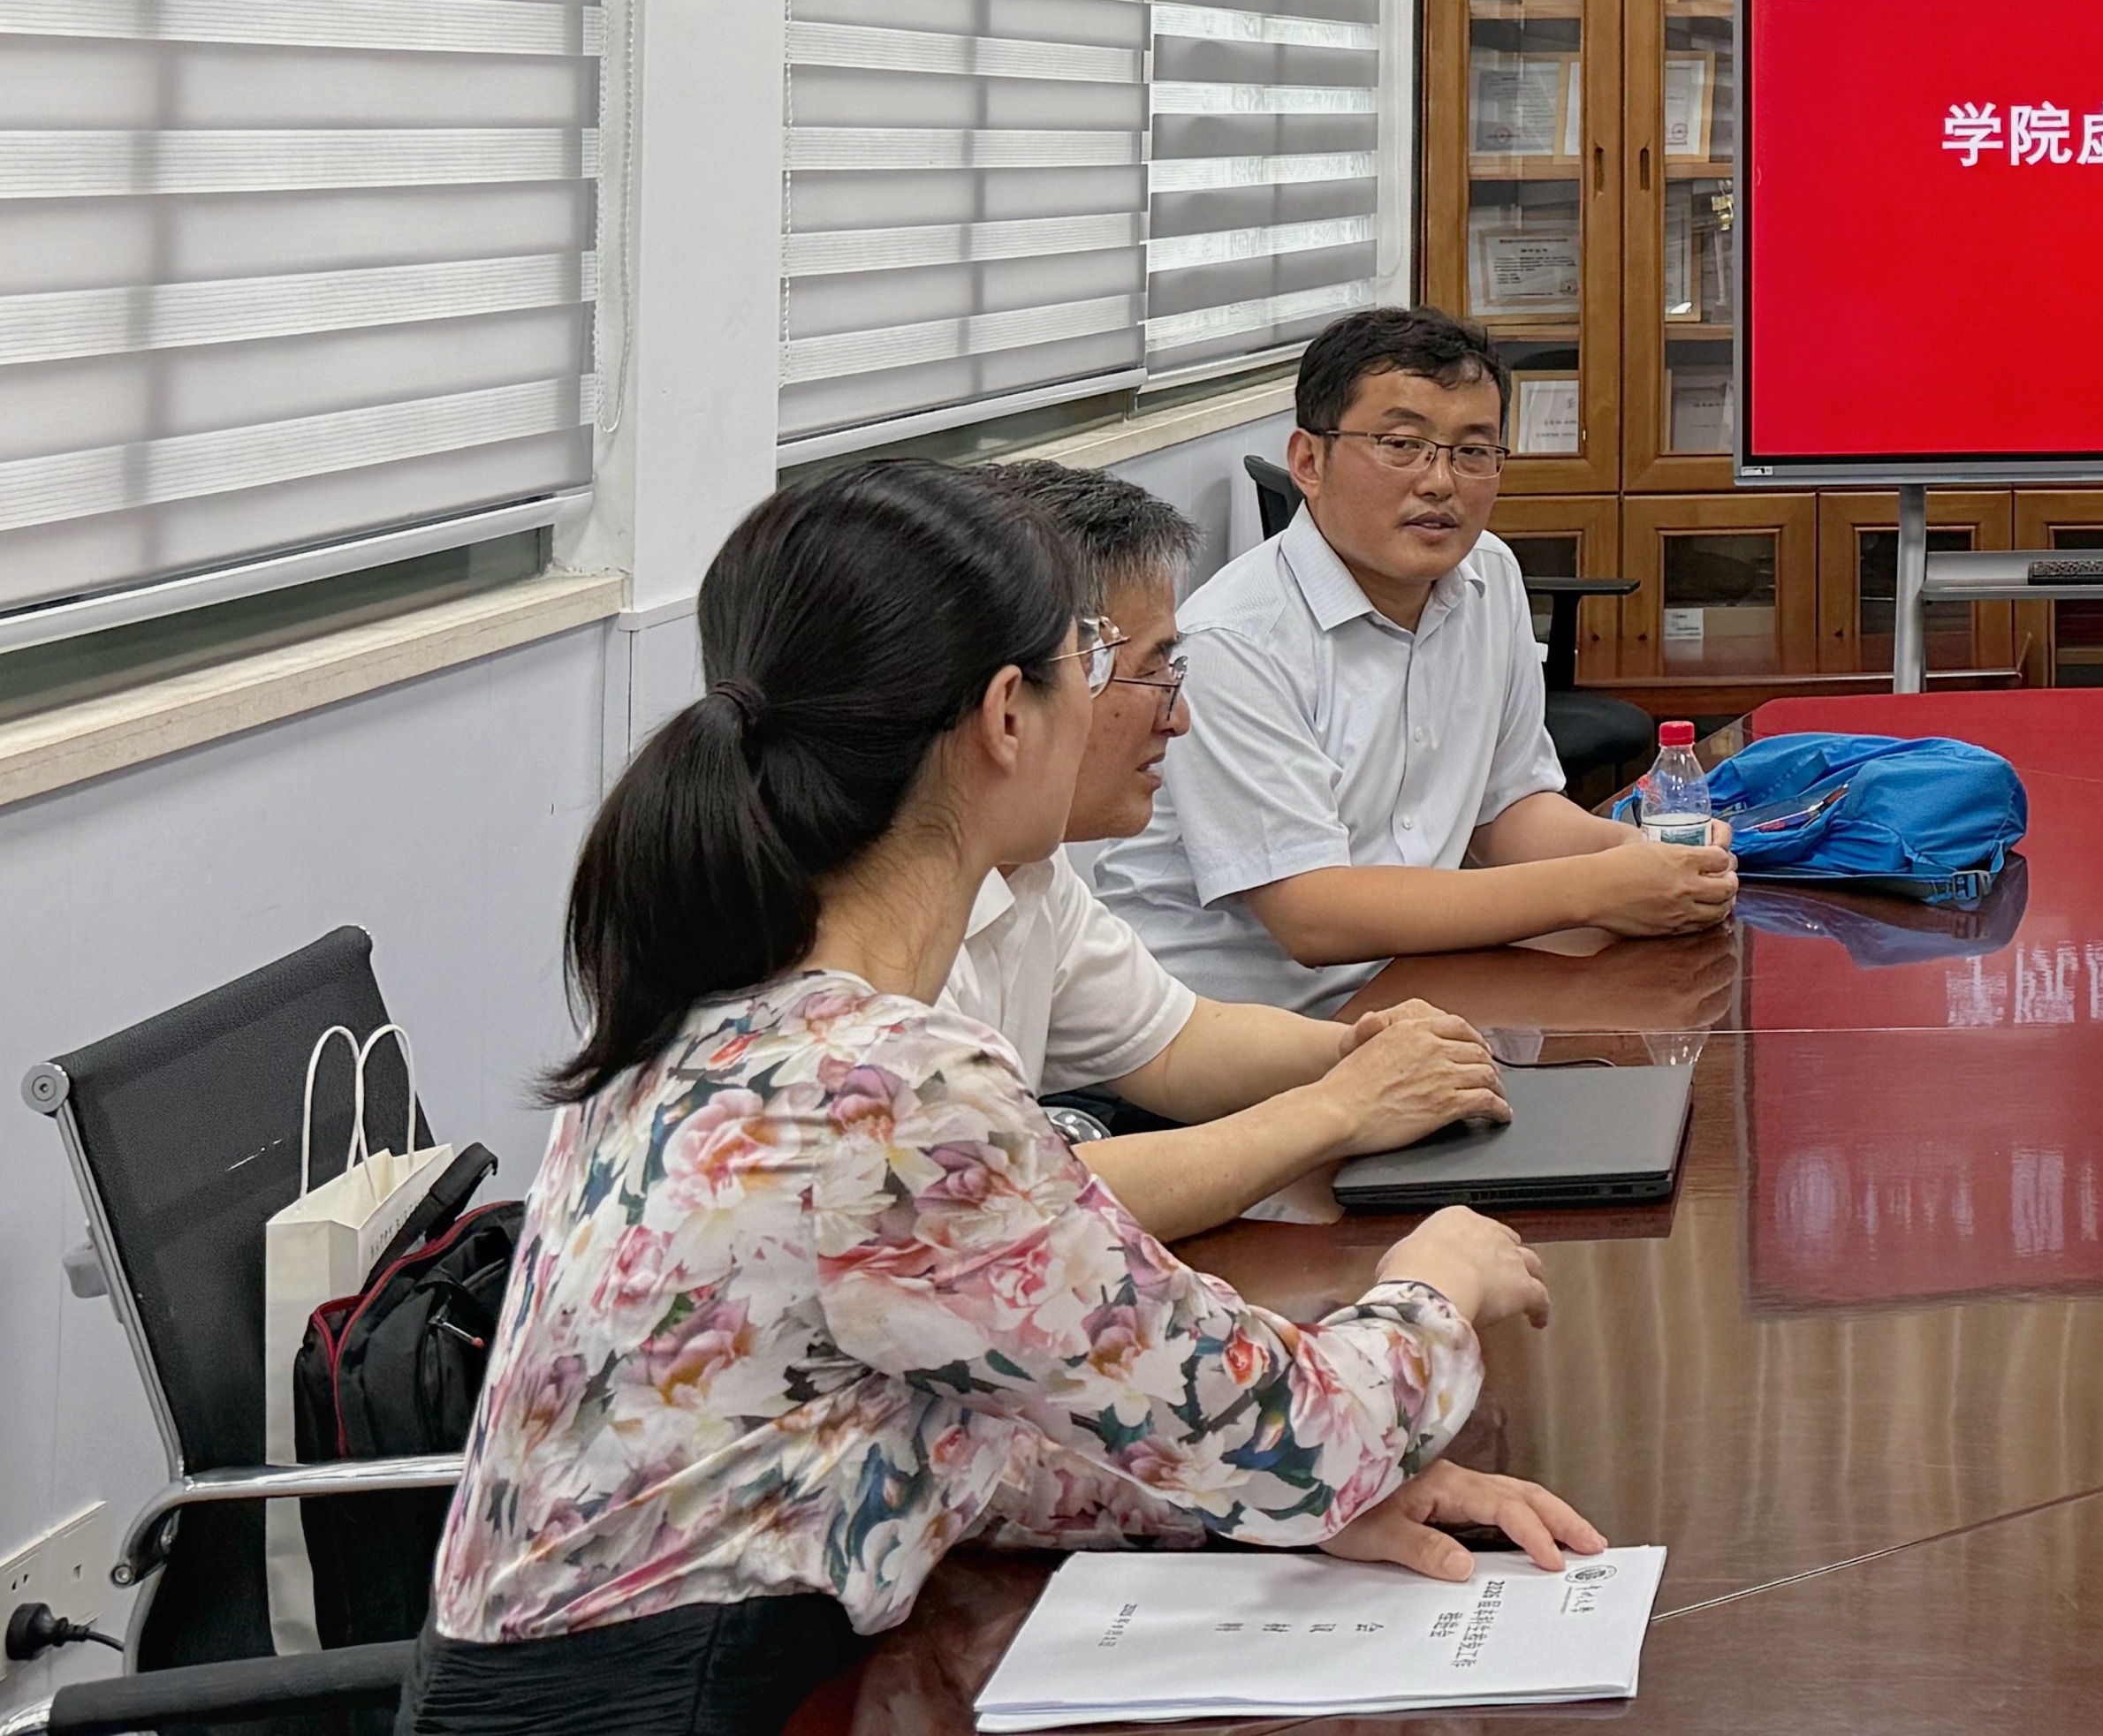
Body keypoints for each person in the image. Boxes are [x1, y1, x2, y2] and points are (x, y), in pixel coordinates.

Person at [416, 464, 1591, 1736]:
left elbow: (919, 1440)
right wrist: (1435, 1282)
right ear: (1006, 718)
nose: (1142, 704)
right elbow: (1302, 1435)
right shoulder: (888, 1086)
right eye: (1092, 660)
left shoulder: (706, 1000)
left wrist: (1236, 1498)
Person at [1098, 307, 1734, 1014]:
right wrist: (1598, 888)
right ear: (1308, 461)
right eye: (1402, 444)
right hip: (1242, 1030)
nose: (1440, 482)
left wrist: (1650, 853)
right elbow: (1313, 914)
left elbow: (1507, 810)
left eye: (1473, 451)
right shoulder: (1233, 641)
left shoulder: (1490, 575)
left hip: (1422, 987)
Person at [942, 462, 1514, 1239]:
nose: (1178, 718)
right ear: (1016, 703)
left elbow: (1174, 1042)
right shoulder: (883, 930)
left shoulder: (1029, 867)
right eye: (1152, 671)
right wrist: (1342, 1106)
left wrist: (1367, 1048)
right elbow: (1009, 1203)